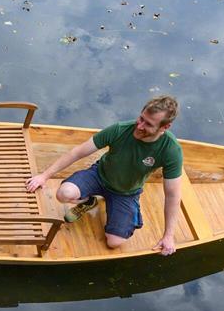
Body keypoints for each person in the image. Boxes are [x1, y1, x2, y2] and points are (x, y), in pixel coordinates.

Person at [25, 95, 183, 256]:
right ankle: (89, 201)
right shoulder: (120, 129)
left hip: (126, 192)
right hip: (99, 176)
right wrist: (44, 176)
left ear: (165, 127)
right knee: (63, 193)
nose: (140, 126)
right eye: (141, 118)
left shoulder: (171, 150)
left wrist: (168, 236)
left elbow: (172, 195)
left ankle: (116, 208)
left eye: (148, 124)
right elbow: (78, 152)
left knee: (114, 242)